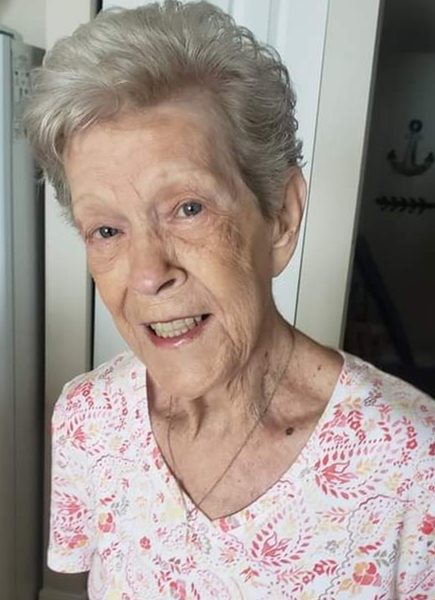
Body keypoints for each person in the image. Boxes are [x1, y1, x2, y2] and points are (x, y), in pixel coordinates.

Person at [24, 1, 435, 598]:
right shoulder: (89, 420)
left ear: (281, 217)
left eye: (188, 208)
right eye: (107, 230)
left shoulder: (412, 464)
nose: (147, 275)